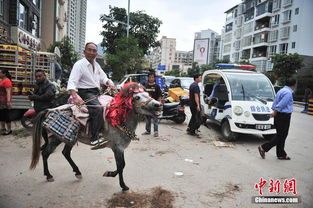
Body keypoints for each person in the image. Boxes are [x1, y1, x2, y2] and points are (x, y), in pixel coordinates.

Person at [67, 42, 114, 145]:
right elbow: (72, 82)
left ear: (96, 53)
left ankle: (107, 130)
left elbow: (103, 77)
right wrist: (75, 97)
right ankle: (94, 137)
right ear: (84, 52)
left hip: (96, 93)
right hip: (86, 92)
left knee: (113, 104)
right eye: (89, 50)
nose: (92, 53)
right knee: (98, 108)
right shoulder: (79, 64)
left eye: (94, 51)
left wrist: (109, 83)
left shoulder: (96, 65)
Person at [258, 78, 297, 160]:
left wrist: (275, 112)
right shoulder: (288, 93)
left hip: (279, 115)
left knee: (281, 135)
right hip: (283, 116)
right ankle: (264, 148)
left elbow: (275, 102)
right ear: (294, 85)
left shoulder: (281, 90)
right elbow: (281, 104)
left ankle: (281, 154)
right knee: (281, 135)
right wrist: (275, 112)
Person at [142, 72, 162, 137]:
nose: (151, 78)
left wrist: (159, 104)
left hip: (155, 105)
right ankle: (148, 131)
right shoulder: (145, 85)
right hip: (147, 105)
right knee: (147, 119)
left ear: (154, 78)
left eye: (152, 77)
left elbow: (159, 96)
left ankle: (156, 132)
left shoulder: (157, 86)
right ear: (148, 78)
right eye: (150, 77)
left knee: (155, 119)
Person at [0, 69, 12, 135]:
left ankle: (9, 130)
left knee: (6, 116)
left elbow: (8, 92)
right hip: (1, 101)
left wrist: (8, 101)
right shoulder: (2, 80)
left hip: (5, 101)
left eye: (0, 73)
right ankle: (3, 129)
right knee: (2, 115)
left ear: (4, 74)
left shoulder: (7, 81)